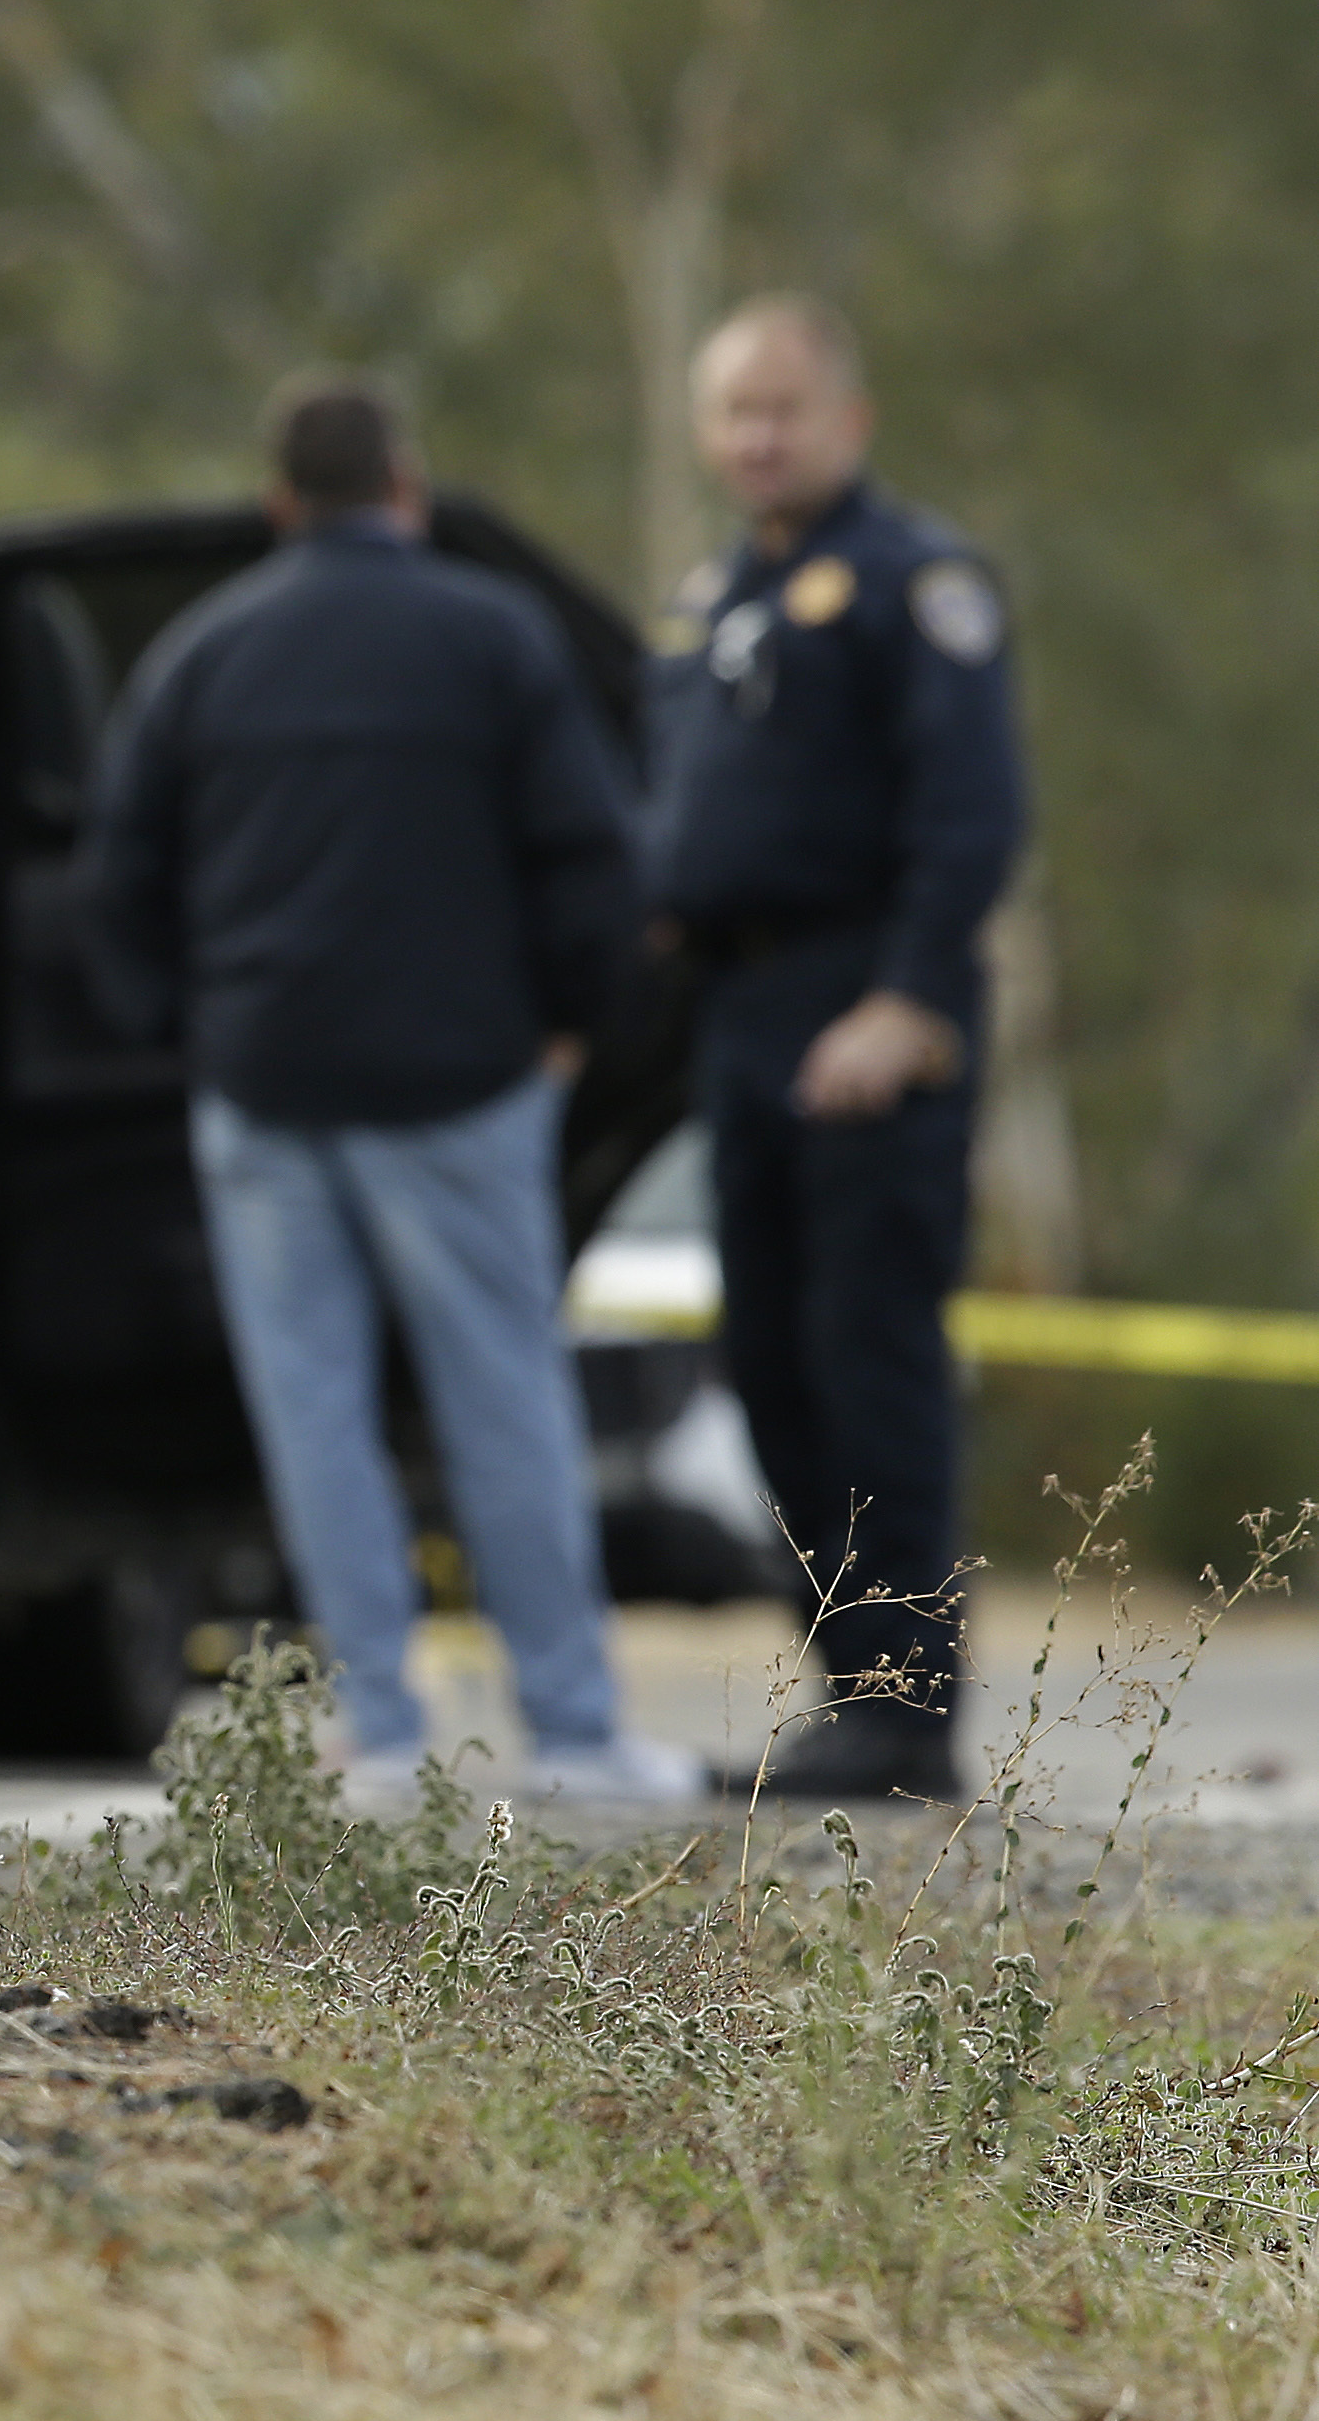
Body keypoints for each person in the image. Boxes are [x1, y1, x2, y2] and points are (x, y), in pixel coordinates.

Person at [89, 373, 698, 1811]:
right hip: (460, 1086)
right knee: (502, 1399)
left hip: (265, 1088)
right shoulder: (490, 636)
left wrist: (187, 1029)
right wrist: (575, 1023)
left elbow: (114, 876)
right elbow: (589, 855)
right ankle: (572, 1733)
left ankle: (374, 1730)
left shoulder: (201, 654)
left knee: (313, 1410)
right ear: (406, 490)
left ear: (277, 503)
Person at [643, 294, 1027, 1801]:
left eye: (782, 408)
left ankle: (903, 1707)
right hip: (736, 1015)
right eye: (733, 411)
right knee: (767, 1360)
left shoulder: (911, 584)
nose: (757, 437)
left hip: (860, 1002)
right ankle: (846, 1685)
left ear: (846, 420)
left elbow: (970, 812)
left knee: (867, 1357)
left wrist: (907, 1001)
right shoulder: (712, 600)